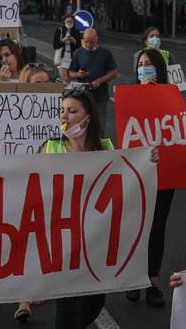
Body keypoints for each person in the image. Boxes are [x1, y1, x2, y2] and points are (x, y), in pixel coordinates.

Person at [38, 87, 156, 328]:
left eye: (72, 111)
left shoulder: (106, 148)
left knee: (93, 304)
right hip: (64, 245)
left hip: (96, 246)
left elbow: (125, 181)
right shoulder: (49, 147)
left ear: (88, 115)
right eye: (62, 111)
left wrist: (149, 160)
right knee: (68, 309)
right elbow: (17, 180)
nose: (64, 116)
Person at [127, 48, 173, 308]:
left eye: (149, 64)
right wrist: (143, 93)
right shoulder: (129, 96)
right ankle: (133, 280)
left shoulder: (173, 96)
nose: (144, 68)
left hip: (165, 172)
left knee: (157, 227)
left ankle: (153, 280)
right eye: (140, 64)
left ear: (159, 69)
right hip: (137, 171)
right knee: (137, 225)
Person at [67, 29, 118, 125]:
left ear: (96, 39)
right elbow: (70, 73)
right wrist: (78, 74)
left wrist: (100, 80)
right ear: (83, 40)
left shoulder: (105, 53)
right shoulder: (78, 53)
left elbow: (114, 72)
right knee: (83, 125)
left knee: (99, 124)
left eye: (91, 42)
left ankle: (99, 140)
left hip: (100, 95)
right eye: (86, 42)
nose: (89, 45)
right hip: (83, 96)